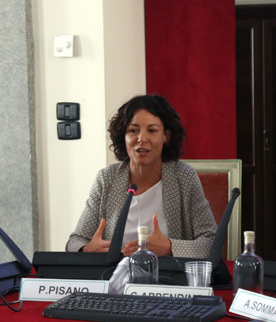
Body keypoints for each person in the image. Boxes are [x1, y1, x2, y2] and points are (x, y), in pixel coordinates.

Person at [66, 94, 216, 258]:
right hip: (115, 273)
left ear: (166, 136)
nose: (141, 138)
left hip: (165, 273)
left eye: (152, 130)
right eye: (133, 130)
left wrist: (170, 247)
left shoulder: (184, 177)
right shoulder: (107, 178)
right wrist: (86, 250)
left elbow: (211, 242)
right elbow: (75, 241)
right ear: (123, 136)